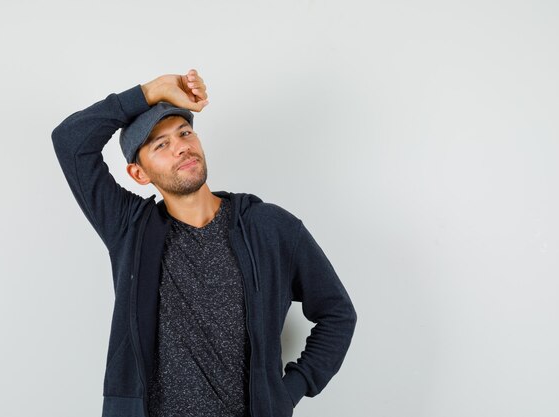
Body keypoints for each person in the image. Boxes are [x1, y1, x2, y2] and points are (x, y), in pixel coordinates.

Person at [51, 69, 357, 417]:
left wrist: (288, 391)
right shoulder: (130, 229)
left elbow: (338, 313)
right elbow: (70, 141)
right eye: (161, 144)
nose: (181, 146)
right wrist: (150, 91)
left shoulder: (269, 227)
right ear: (139, 173)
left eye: (185, 133)